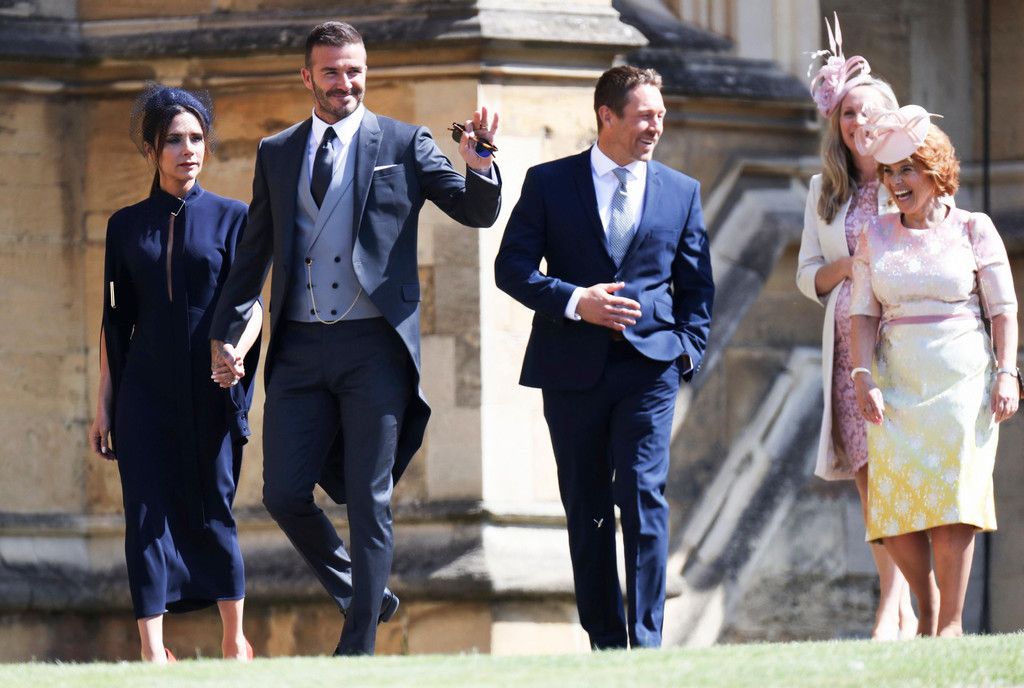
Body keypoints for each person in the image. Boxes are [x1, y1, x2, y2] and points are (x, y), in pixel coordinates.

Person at [208, 21, 501, 656]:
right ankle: (364, 593)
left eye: (355, 70)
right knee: (284, 493)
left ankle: (359, 645)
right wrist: (226, 334)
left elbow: (475, 211)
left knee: (370, 499)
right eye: (333, 72)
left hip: (375, 348)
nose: (346, 82)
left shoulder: (404, 142)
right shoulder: (276, 151)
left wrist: (480, 165)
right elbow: (253, 253)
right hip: (297, 348)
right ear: (307, 77)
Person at [494, 65, 713, 649]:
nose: (655, 127)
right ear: (606, 116)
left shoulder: (681, 191)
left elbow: (697, 288)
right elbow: (511, 268)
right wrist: (575, 302)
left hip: (650, 368)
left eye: (660, 116)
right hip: (571, 370)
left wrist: (687, 353)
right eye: (644, 116)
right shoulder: (549, 183)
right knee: (587, 505)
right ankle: (606, 643)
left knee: (643, 494)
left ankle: (646, 644)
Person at [88, 85, 262, 663]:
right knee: (144, 511)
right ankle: (152, 651)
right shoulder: (124, 226)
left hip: (212, 386)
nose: (188, 150)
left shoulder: (235, 217)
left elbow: (252, 305)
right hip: (144, 391)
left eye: (197, 138)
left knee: (215, 502)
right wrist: (104, 405)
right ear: (151, 150)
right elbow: (115, 323)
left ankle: (234, 639)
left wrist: (236, 351)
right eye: (174, 141)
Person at [850, 106, 1019, 637]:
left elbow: (1003, 310)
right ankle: (925, 606)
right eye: (889, 171)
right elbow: (862, 314)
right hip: (895, 382)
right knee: (892, 504)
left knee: (955, 501)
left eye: (907, 169)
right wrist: (861, 375)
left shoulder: (974, 228)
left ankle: (950, 623)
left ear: (935, 169)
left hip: (963, 383)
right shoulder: (874, 235)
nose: (896, 182)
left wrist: (1008, 373)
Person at [795, 14, 916, 640]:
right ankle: (895, 604)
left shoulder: (913, 178)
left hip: (906, 348)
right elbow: (806, 274)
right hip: (847, 355)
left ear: (889, 117)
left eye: (868, 111)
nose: (857, 121)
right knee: (870, 482)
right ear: (836, 124)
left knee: (902, 472)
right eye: (847, 113)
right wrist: (847, 265)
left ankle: (899, 604)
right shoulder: (824, 190)